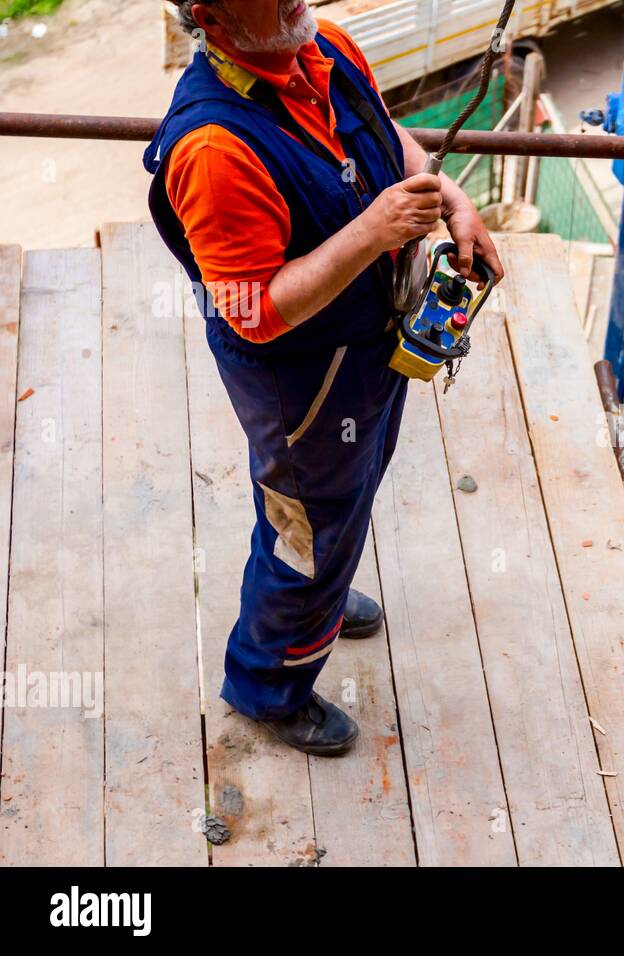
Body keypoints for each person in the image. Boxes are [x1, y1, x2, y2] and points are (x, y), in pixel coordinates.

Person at [147, 0, 504, 755]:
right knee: (305, 530)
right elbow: (252, 311)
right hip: (301, 381)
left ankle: (327, 593)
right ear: (211, 18)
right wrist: (373, 230)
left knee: (353, 487)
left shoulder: (323, 44)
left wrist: (456, 204)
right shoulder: (215, 150)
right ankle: (268, 686)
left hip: (367, 345)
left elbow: (386, 135)